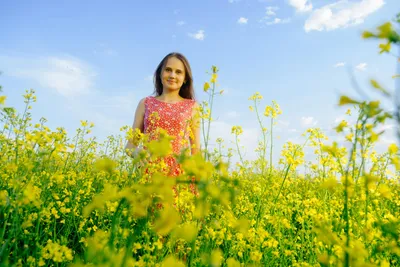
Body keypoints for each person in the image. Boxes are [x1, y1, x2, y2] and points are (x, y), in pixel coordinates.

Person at [125, 52, 201, 178]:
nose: (172, 75)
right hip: (150, 175)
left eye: (178, 72)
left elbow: (196, 151)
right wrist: (137, 152)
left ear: (185, 78)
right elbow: (130, 146)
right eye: (168, 70)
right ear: (160, 73)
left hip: (181, 179)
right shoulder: (146, 103)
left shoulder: (192, 106)